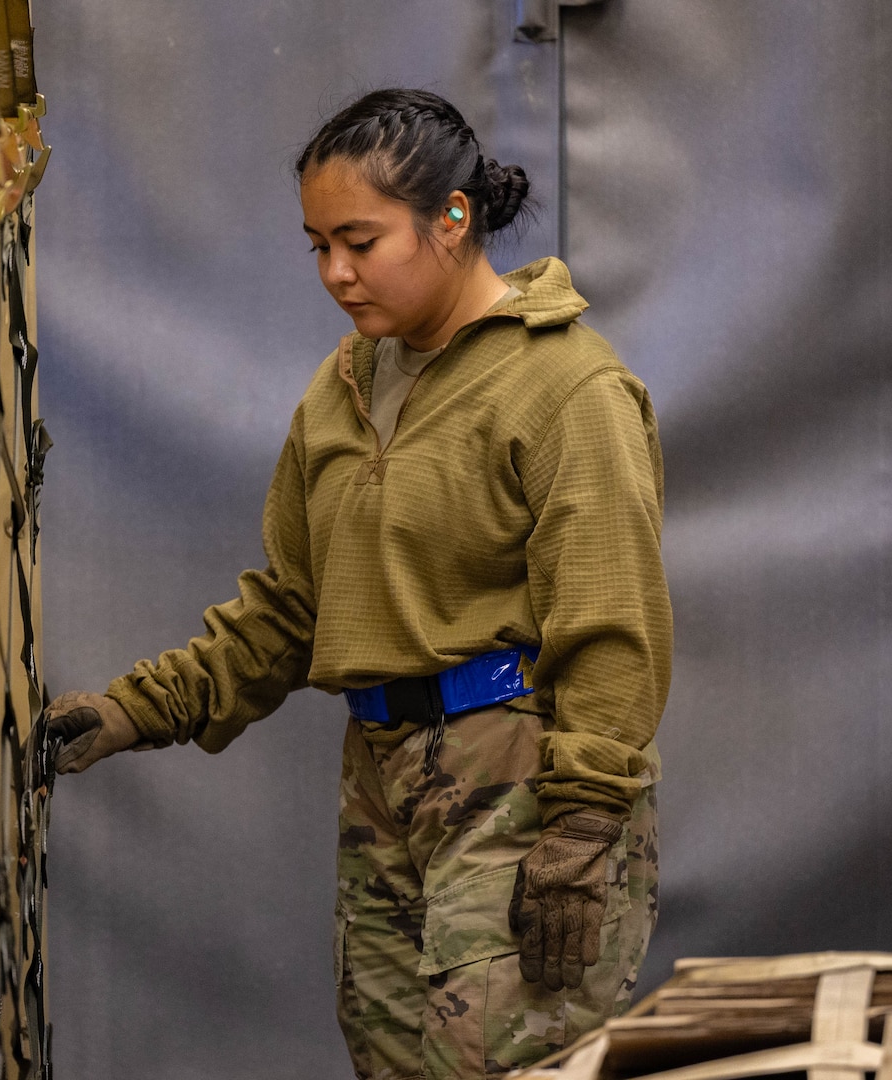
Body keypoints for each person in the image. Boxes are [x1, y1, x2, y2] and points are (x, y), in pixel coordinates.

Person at [44, 88, 669, 1079]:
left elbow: (611, 624)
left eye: (361, 241)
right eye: (316, 246)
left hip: (515, 782)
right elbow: (294, 607)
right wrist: (136, 710)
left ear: (451, 220)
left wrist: (582, 832)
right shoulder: (343, 390)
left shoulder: (566, 389)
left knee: (492, 1066)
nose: (335, 272)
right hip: (382, 780)